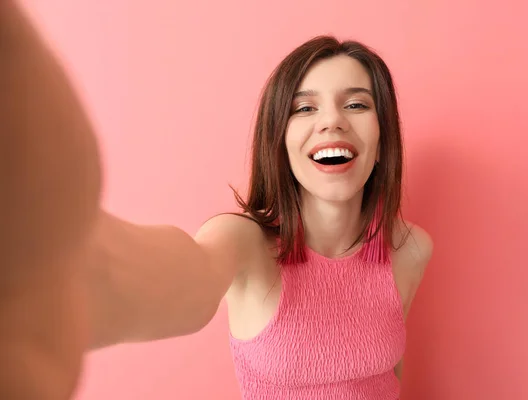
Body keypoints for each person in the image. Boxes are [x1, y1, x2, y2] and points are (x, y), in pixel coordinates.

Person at [1, 1, 433, 399]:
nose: (332, 122)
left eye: (356, 104)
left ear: (383, 135)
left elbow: (388, 379)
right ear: (279, 139)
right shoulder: (244, 244)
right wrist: (43, 262)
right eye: (304, 109)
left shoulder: (411, 248)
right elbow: (176, 273)